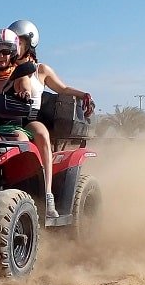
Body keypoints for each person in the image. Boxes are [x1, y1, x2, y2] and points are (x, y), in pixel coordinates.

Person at [7, 20, 94, 218]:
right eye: (11, 43)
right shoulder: (4, 69)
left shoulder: (40, 70)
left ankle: (47, 195)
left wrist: (84, 95)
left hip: (29, 119)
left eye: (18, 42)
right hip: (4, 119)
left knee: (41, 135)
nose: (14, 47)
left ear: (29, 43)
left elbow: (62, 89)